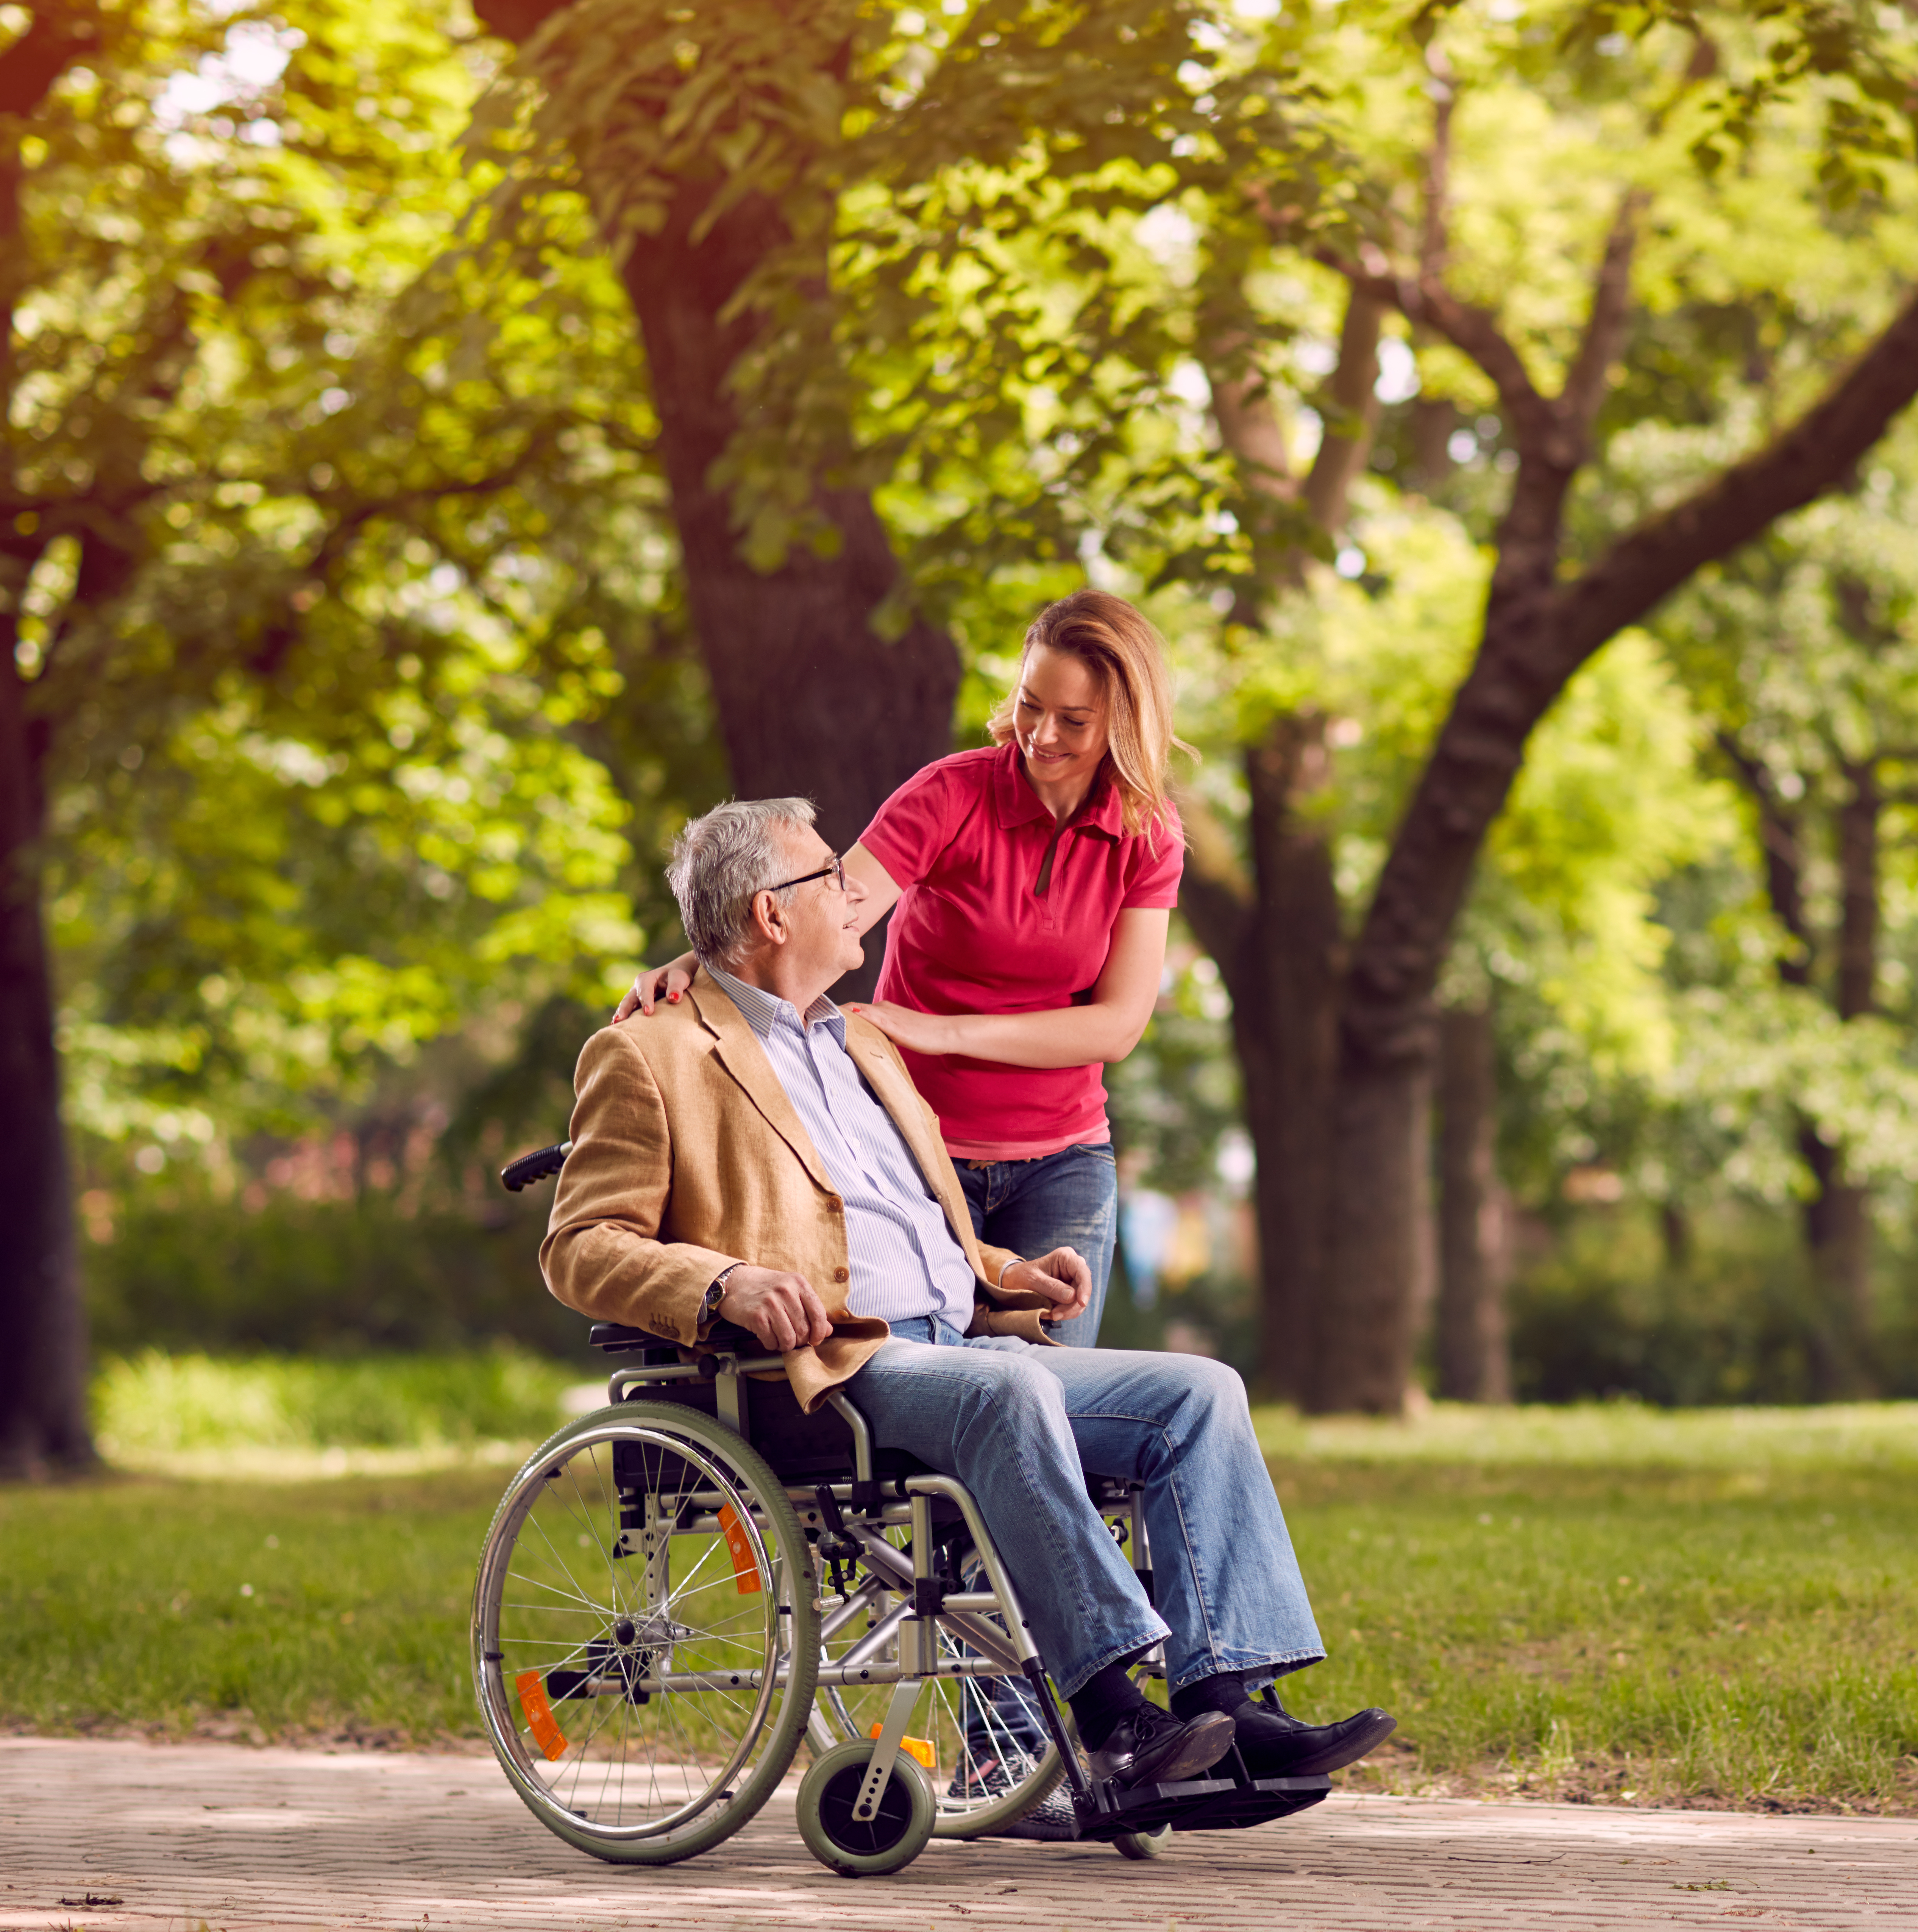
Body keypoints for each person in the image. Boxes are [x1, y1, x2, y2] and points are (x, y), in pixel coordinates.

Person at [548, 795, 1392, 1797]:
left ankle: (1231, 1708)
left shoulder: (861, 1043)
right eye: (827, 877)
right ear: (771, 915)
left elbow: (908, 1224)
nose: (853, 892)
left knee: (1199, 1392)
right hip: (831, 1367)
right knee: (1013, 1397)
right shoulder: (653, 1053)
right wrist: (725, 1283)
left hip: (963, 1347)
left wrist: (1006, 1278)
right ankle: (1116, 1716)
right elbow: (582, 1245)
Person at [617, 591, 1188, 1349]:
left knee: (1061, 1401)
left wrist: (940, 1032)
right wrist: (705, 952)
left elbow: (1116, 1026)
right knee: (947, 1410)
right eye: (1030, 705)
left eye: (1074, 721)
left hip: (1063, 1161)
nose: (1041, 735)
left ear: (1124, 719)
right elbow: (820, 908)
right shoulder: (951, 795)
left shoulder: (1149, 836)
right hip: (917, 1148)